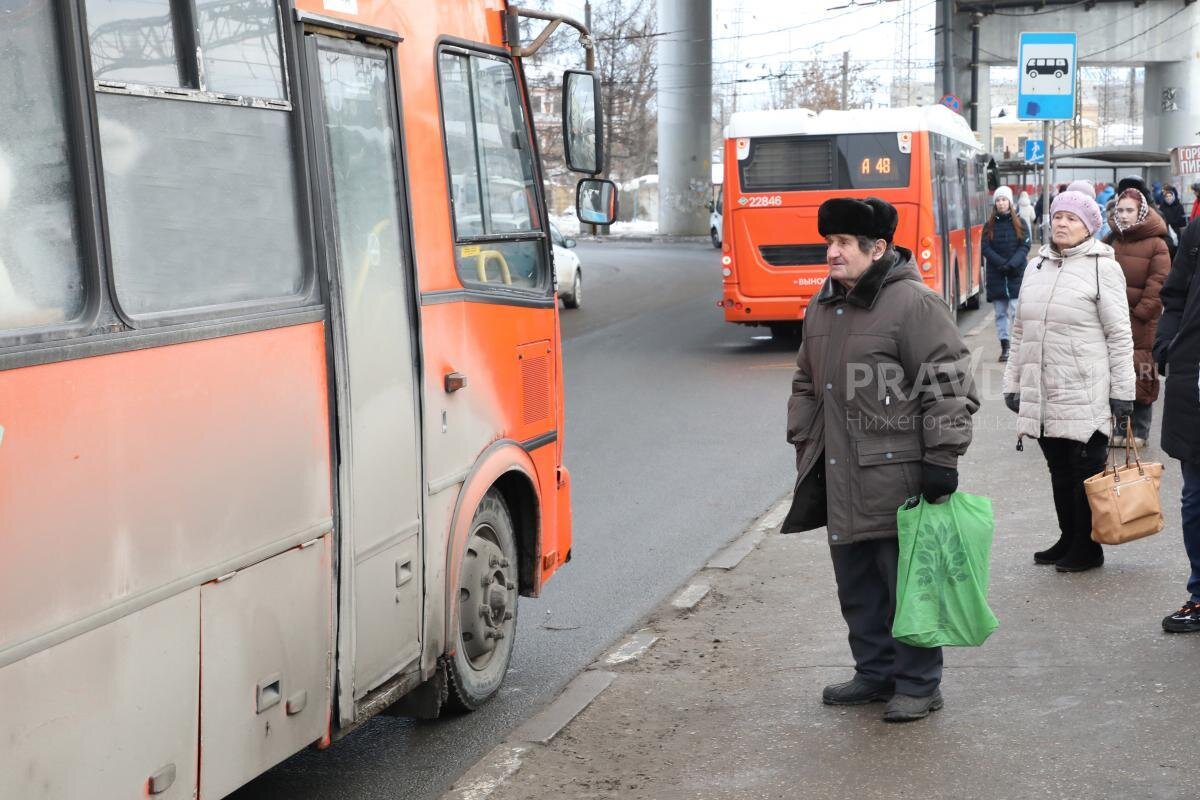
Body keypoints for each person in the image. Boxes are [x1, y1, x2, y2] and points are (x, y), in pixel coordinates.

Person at [783, 196, 978, 723]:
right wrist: (804, 437)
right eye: (829, 242)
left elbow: (950, 382)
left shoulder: (914, 303)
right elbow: (805, 380)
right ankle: (874, 672)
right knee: (858, 582)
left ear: (879, 248)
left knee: (907, 585)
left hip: (898, 471)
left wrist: (943, 457)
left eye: (844, 243)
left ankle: (918, 683)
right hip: (839, 469)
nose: (832, 253)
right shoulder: (823, 304)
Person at [1002, 183, 1135, 572]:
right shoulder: (1036, 266)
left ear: (1089, 226)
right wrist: (1013, 384)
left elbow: (1119, 334)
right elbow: (1021, 329)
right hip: (1043, 389)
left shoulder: (1103, 267)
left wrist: (1122, 393)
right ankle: (1068, 536)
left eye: (1071, 219)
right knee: (1058, 468)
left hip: (1086, 389)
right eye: (1058, 216)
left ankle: (1088, 546)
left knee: (1085, 471)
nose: (1061, 223)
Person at [1154, 216, 1200, 632]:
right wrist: (1166, 346)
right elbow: (1175, 295)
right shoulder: (1197, 231)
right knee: (1196, 502)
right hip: (1195, 386)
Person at [1104, 188, 1169, 448]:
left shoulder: (1157, 243)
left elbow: (1160, 283)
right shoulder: (1112, 240)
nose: (1124, 215)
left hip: (1142, 322)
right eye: (1120, 210)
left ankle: (1139, 432)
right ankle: (1119, 429)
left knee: (1142, 374)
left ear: (1141, 211)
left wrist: (1140, 313)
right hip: (1113, 320)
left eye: (1129, 210)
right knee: (1116, 374)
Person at [980, 186, 1030, 362]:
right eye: (998, 200)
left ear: (1010, 202)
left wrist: (1013, 263)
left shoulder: (1021, 223)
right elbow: (985, 247)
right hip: (997, 275)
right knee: (1000, 313)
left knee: (1017, 311)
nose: (1001, 203)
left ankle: (1018, 345)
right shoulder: (989, 226)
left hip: (1016, 274)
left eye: (1004, 199)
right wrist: (1001, 263)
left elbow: (1025, 245)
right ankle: (1005, 346)